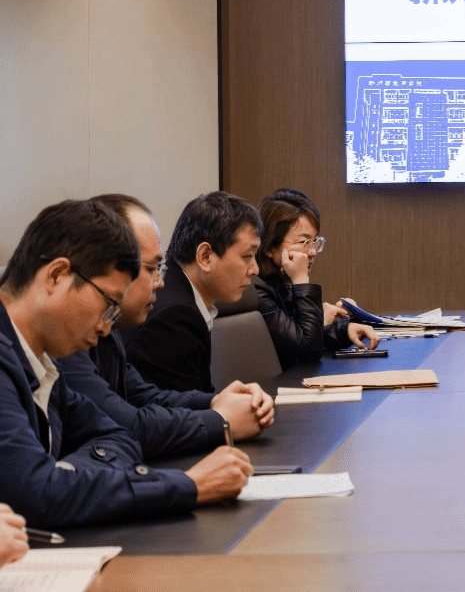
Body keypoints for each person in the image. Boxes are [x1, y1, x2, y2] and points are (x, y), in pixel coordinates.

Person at [0, 199, 251, 528]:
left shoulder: (43, 364)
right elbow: (38, 496)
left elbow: (119, 435)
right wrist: (187, 485)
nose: (106, 328)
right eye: (108, 303)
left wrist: (64, 477)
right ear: (57, 275)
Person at [57, 194, 275, 457]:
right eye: (151, 268)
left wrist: (216, 401)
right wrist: (221, 421)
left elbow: (144, 396)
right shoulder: (64, 337)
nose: (160, 282)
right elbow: (127, 425)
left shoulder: (104, 326)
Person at [125, 191, 262, 393]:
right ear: (205, 257)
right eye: (248, 256)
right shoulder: (174, 317)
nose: (255, 269)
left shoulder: (178, 291)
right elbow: (181, 409)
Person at [254, 189, 378, 367]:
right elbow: (308, 348)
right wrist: (301, 281)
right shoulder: (257, 292)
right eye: (304, 242)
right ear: (268, 247)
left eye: (315, 242)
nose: (312, 252)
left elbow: (301, 334)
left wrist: (345, 330)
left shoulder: (279, 283)